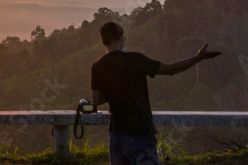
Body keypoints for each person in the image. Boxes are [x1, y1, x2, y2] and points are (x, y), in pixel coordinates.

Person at [90, 21, 221, 165]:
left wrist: (113, 91)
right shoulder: (136, 59)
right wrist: (198, 58)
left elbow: (96, 99)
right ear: (121, 38)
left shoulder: (97, 66)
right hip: (140, 132)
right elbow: (171, 69)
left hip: (116, 133)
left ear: (104, 42)